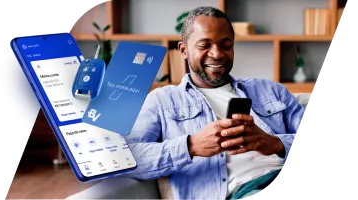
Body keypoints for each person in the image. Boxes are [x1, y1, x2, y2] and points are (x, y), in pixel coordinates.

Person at [124, 6, 305, 200]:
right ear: (183, 50)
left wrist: (274, 143)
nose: (217, 54)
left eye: (226, 45)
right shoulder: (163, 100)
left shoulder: (270, 90)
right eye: (205, 45)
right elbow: (127, 157)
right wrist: (191, 146)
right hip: (246, 192)